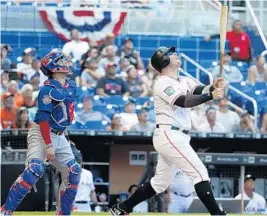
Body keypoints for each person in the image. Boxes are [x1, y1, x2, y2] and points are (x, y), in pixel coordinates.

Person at [110, 46, 227, 215]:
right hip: (169, 134)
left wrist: (213, 87)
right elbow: (183, 101)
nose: (176, 55)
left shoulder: (184, 80)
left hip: (178, 136)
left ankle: (123, 208)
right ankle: (217, 214)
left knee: (160, 182)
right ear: (164, 60)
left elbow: (201, 90)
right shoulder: (162, 82)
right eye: (171, 54)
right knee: (200, 173)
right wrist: (211, 95)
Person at [1, 51, 82, 216]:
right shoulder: (47, 90)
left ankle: (63, 213)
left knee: (73, 171)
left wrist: (64, 137)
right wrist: (49, 145)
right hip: (41, 132)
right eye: (61, 61)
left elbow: (65, 115)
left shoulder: (71, 85)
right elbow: (44, 121)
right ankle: (6, 211)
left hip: (60, 134)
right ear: (53, 67)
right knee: (35, 169)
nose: (66, 63)